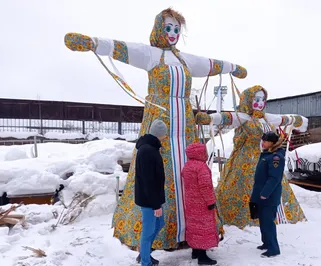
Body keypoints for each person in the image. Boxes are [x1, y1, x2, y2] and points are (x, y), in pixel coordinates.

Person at [64, 7, 247, 250]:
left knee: (190, 170)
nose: (172, 34)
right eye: (168, 28)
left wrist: (232, 67)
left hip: (185, 123)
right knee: (157, 168)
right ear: (159, 29)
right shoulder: (150, 55)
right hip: (160, 118)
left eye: (176, 30)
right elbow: (121, 48)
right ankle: (161, 232)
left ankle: (196, 229)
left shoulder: (185, 60)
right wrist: (93, 43)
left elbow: (209, 64)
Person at [195, 85, 307, 231]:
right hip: (245, 163)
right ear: (248, 100)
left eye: (263, 100)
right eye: (257, 99)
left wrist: (296, 120)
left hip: (267, 161)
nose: (260, 103)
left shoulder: (266, 118)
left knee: (272, 184)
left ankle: (277, 214)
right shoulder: (242, 117)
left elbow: (282, 119)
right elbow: (226, 117)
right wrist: (209, 118)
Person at [134, 119, 167, 266]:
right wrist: (155, 205)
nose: (165, 138)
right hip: (149, 201)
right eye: (164, 136)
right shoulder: (148, 151)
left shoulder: (150, 148)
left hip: (153, 199)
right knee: (147, 233)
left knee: (160, 223)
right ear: (160, 135)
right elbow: (148, 181)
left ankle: (144, 253)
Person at [181, 143, 219, 266]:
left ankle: (195, 251)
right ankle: (202, 257)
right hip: (202, 203)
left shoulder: (187, 166)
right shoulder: (201, 167)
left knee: (193, 227)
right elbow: (205, 186)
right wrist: (211, 201)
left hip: (190, 202)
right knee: (203, 227)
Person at [251, 131, 285, 258]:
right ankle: (266, 243)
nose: (263, 143)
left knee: (268, 221)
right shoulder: (268, 154)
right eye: (263, 140)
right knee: (263, 220)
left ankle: (273, 248)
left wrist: (265, 193)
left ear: (272, 142)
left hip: (268, 196)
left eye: (265, 141)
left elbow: (274, 178)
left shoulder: (276, 157)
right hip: (261, 193)